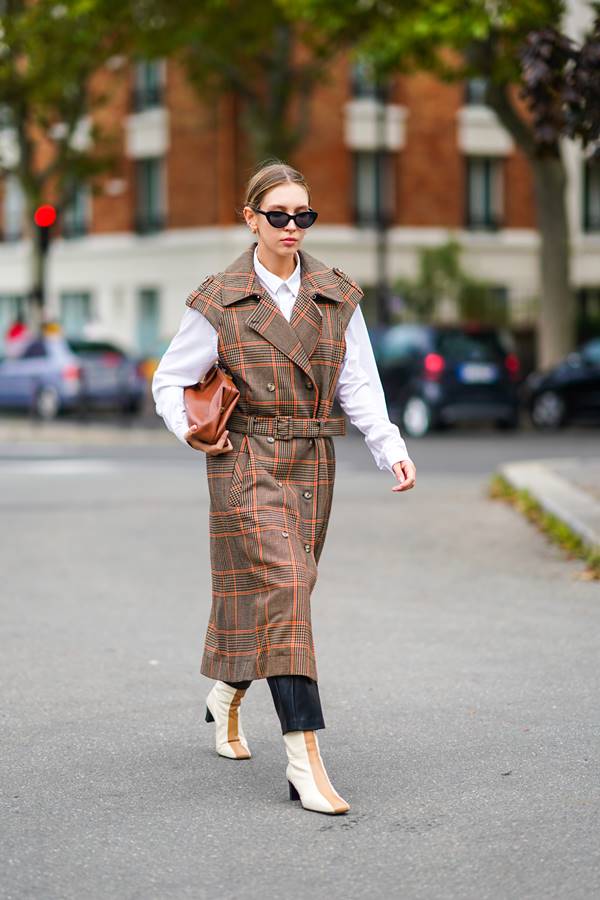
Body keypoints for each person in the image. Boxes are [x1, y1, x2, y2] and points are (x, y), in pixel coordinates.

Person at [152, 160, 416, 816]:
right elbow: (168, 380)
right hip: (243, 455)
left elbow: (358, 380)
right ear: (251, 219)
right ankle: (304, 757)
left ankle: (227, 696)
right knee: (288, 585)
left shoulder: (335, 294)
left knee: (280, 590)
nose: (292, 226)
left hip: (312, 461)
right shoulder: (221, 298)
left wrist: (390, 446)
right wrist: (192, 430)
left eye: (304, 215)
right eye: (278, 215)